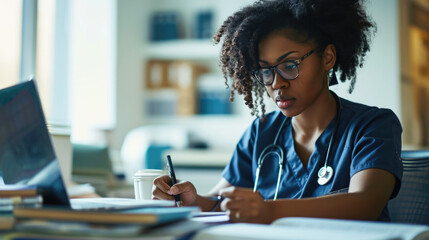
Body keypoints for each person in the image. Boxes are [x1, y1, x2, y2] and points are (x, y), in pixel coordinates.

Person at [153, 0, 403, 224]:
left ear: (327, 57)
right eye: (265, 71)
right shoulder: (262, 131)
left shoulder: (372, 125)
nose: (277, 83)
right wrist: (193, 200)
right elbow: (220, 201)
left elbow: (365, 204)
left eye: (289, 65)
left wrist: (269, 211)